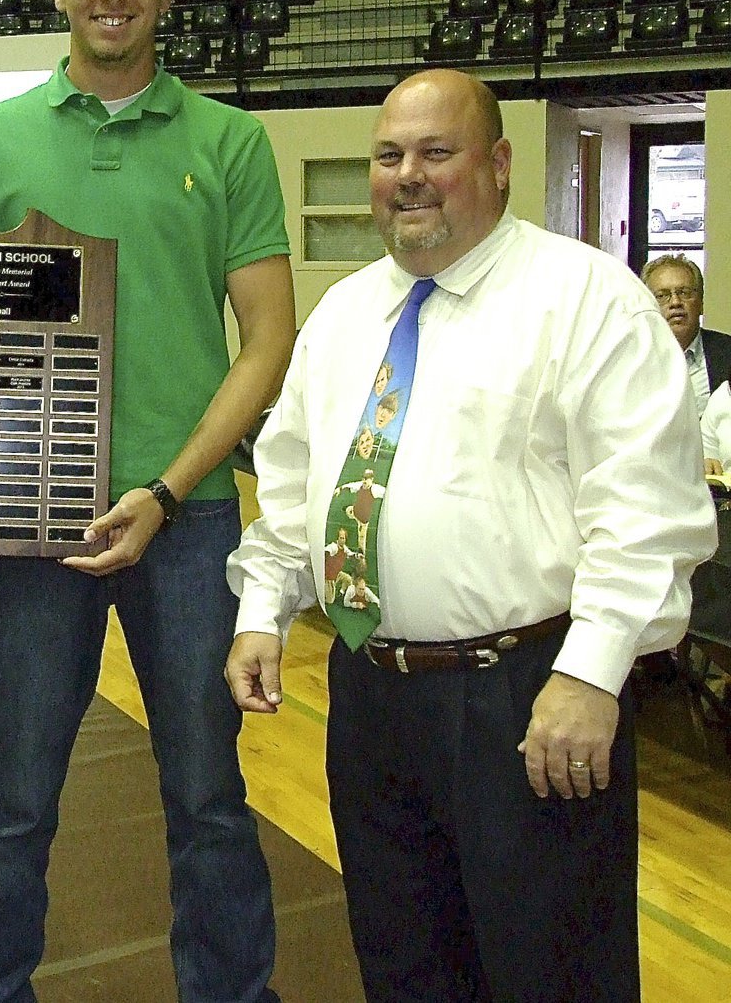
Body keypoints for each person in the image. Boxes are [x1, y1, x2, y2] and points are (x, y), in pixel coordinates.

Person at [224, 69, 716, 1002]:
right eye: (388, 156)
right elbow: (294, 479)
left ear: (497, 165)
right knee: (404, 964)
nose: (407, 176)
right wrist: (264, 608)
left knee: (552, 972)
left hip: (528, 699)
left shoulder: (587, 302)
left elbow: (646, 513)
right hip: (371, 702)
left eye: (435, 153)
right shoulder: (344, 316)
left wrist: (589, 674)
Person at [0, 0, 294, 1003]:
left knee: (210, 796)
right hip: (32, 515)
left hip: (190, 518)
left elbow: (266, 342)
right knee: (14, 793)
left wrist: (171, 491)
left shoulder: (228, 139)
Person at [642, 253, 731, 415]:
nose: (675, 302)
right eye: (662, 295)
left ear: (701, 303)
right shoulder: (631, 356)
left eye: (684, 292)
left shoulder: (727, 352)